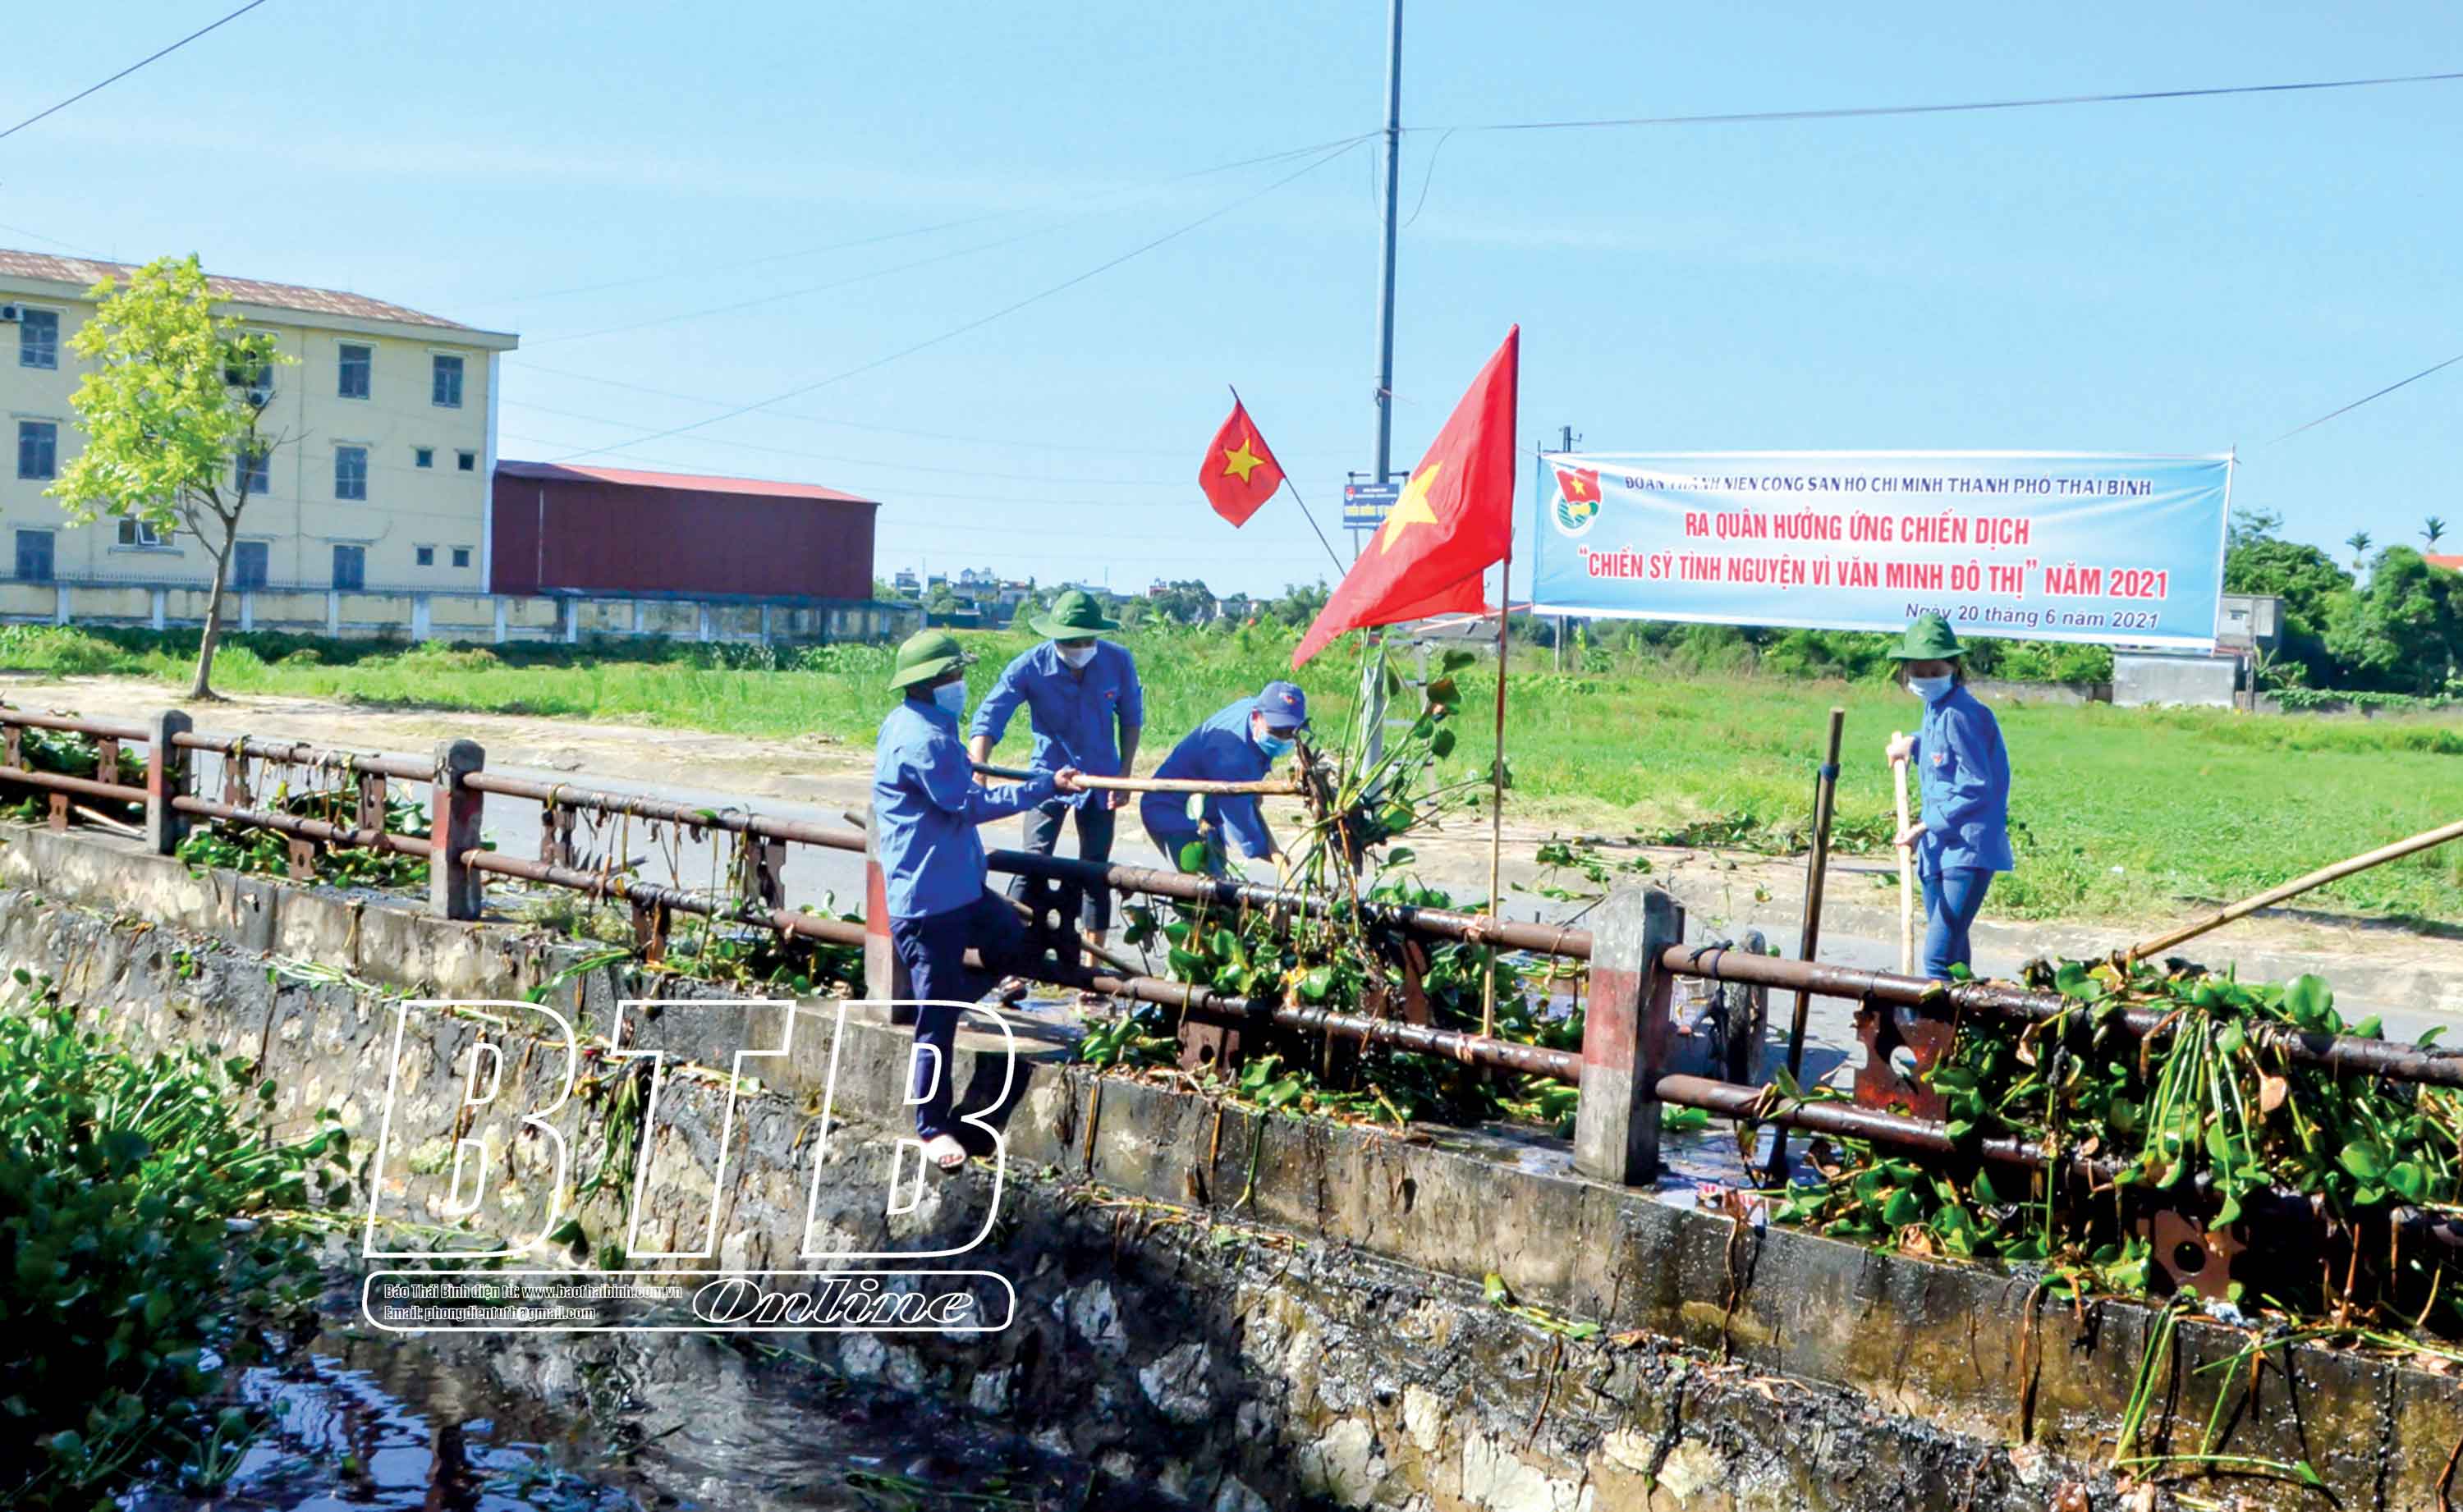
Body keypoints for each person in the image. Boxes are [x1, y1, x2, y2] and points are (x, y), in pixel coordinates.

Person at [874, 630, 1083, 1171]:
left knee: (1014, 943)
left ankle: (954, 996)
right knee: (936, 1021)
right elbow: (968, 803)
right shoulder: (922, 740)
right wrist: (1044, 786)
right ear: (933, 682)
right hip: (928, 901)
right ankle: (931, 1127)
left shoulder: (923, 724)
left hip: (962, 889)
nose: (962, 684)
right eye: (956, 676)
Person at [967, 589, 1144, 951]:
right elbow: (988, 718)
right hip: (1047, 777)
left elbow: (1131, 719)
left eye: (1087, 640)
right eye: (1071, 642)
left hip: (1099, 778)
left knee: (1096, 868)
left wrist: (1124, 776)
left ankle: (1094, 963)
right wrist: (978, 773)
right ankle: (1012, 954)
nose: (1080, 648)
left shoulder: (1118, 661)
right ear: (1055, 638)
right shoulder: (1029, 666)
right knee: (1032, 861)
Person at [1882, 613, 2014, 980]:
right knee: (1955, 957)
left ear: (1954, 667)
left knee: (1938, 960)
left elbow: (1976, 785)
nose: (1926, 678)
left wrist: (1923, 827)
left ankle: (1929, 1018)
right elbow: (1943, 752)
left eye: (1934, 670)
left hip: (1967, 849)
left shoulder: (1963, 713)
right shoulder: (1936, 709)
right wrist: (1913, 743)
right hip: (1937, 849)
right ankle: (1962, 1014)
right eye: (1918, 671)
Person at [1140, 681, 1307, 878]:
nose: (1283, 738)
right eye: (1277, 731)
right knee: (1206, 888)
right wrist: (1265, 850)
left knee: (1218, 876)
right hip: (1171, 810)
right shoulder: (1231, 754)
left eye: (1290, 731)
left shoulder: (1258, 712)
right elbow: (1238, 816)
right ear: (1257, 716)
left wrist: (1253, 790)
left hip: (1209, 811)